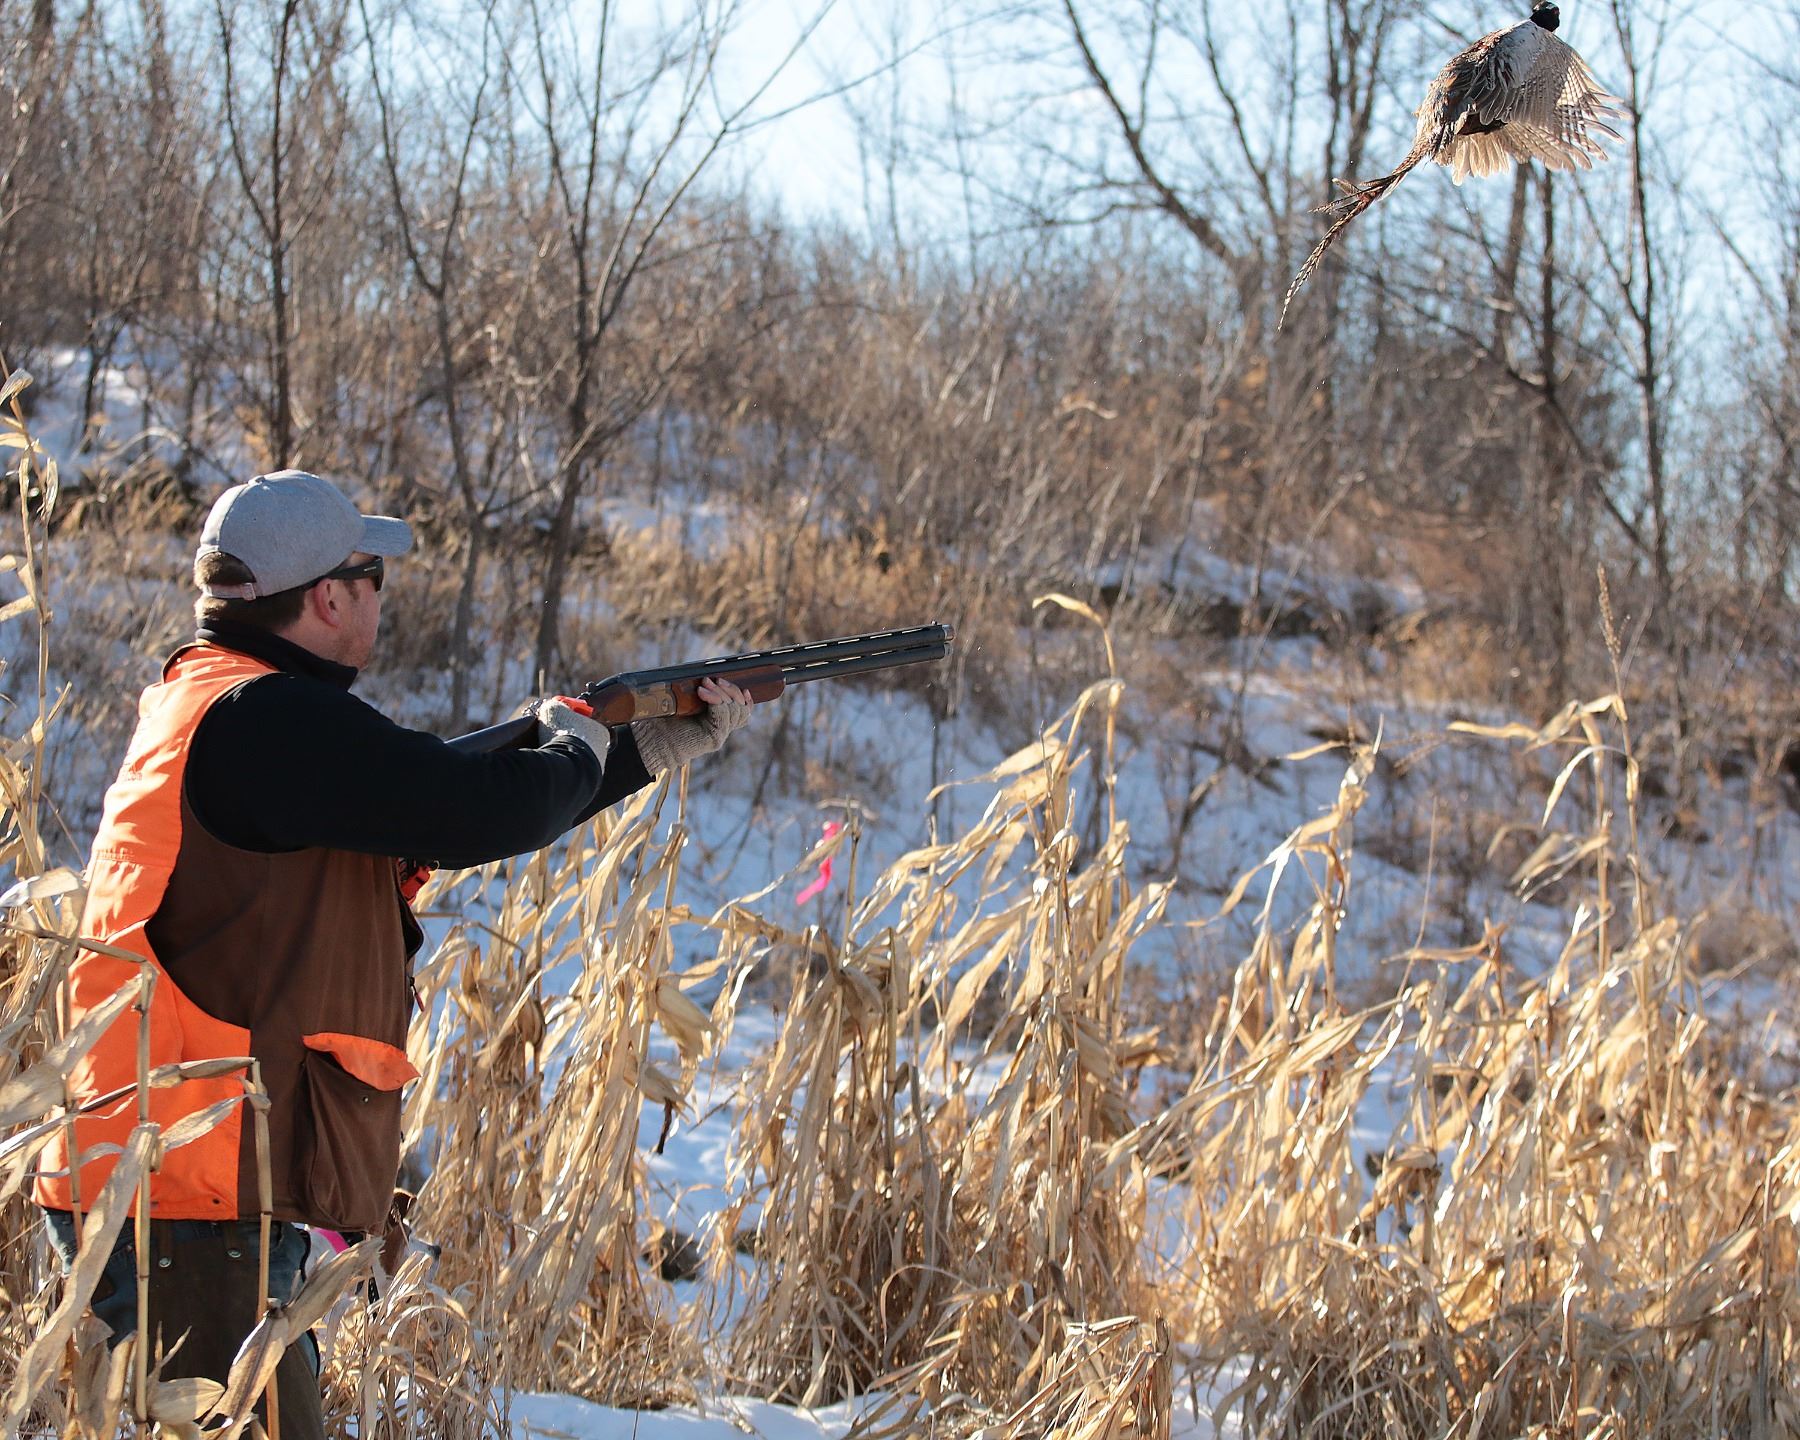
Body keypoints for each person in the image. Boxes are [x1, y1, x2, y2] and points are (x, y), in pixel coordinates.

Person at [35, 469, 753, 1438]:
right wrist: (578, 739)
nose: (381, 597)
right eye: (373, 576)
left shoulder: (222, 705)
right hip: (189, 1190)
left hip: (186, 1179)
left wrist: (640, 750)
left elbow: (428, 810)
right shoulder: (268, 719)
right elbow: (479, 810)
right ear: (329, 595)